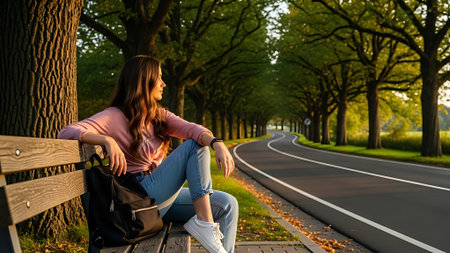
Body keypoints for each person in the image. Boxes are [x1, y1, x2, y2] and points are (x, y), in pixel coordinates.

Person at [58, 55, 238, 253]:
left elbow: (193, 129)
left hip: (157, 199)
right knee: (194, 147)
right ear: (144, 81)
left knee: (228, 204)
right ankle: (204, 222)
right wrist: (106, 140)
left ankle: (212, 236)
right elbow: (65, 133)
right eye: (159, 78)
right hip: (137, 200)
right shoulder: (114, 116)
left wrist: (216, 143)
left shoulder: (158, 115)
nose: (164, 83)